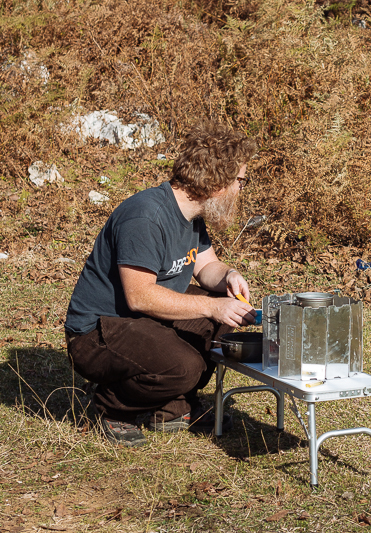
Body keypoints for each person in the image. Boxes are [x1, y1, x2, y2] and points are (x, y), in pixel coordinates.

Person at [64, 119, 259, 447]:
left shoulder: (192, 215)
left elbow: (206, 265)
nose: (242, 188)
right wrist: (212, 305)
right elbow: (140, 297)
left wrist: (228, 276)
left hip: (144, 319)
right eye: (241, 179)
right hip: (98, 332)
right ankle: (111, 409)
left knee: (230, 325)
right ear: (217, 181)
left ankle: (174, 407)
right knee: (185, 365)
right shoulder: (146, 216)